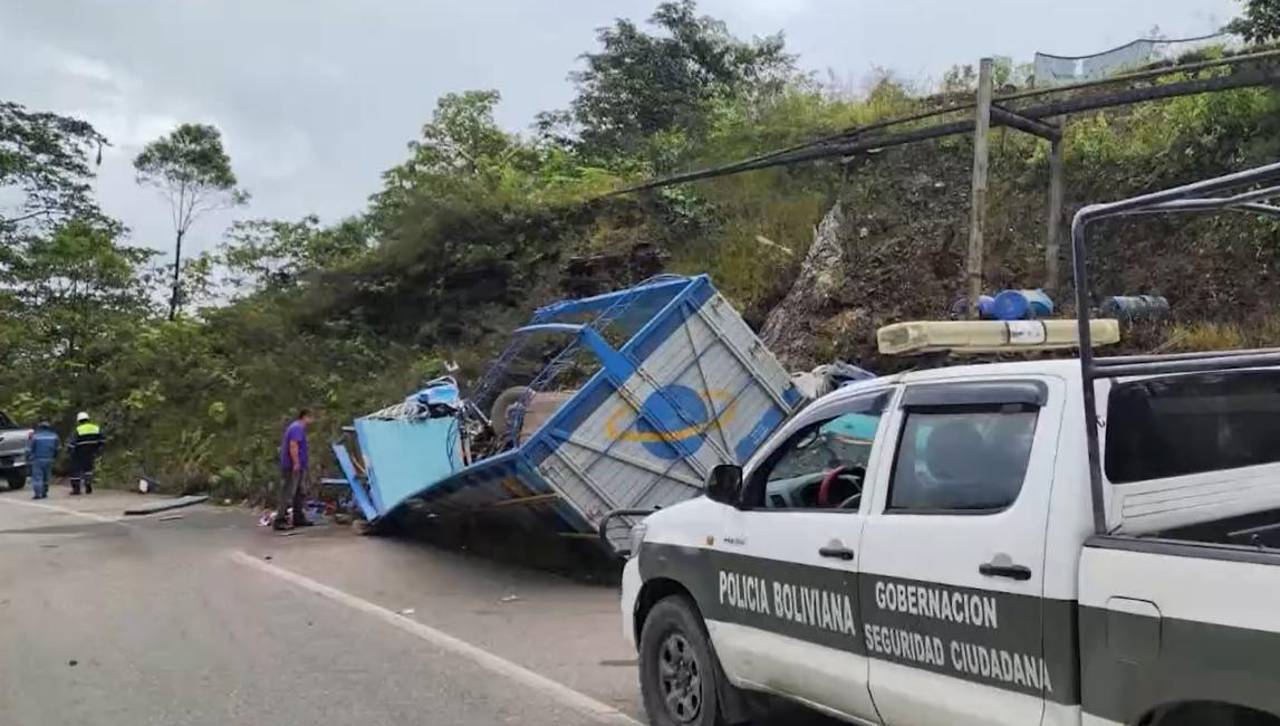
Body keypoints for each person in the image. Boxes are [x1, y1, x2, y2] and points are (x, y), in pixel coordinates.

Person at [275, 409, 314, 530]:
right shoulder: (296, 428)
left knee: (298, 492)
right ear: (305, 417)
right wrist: (296, 463)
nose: (312, 421)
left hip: (299, 466)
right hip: (291, 466)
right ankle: (280, 520)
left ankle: (298, 517)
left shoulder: (299, 429)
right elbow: (293, 445)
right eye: (311, 417)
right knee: (287, 492)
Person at [68, 411, 105, 495]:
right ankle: (88, 484)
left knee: (75, 470)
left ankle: (76, 489)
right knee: (88, 469)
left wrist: (70, 452)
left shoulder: (78, 429)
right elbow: (102, 440)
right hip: (91, 452)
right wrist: (97, 449)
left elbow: (72, 443)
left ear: (79, 420)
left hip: (79, 452)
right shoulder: (96, 428)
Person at [26, 421, 59, 499]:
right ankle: (44, 492)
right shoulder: (54, 436)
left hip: (38, 459)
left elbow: (29, 449)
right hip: (49, 459)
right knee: (46, 477)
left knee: (37, 477)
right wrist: (54, 457)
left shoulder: (35, 436)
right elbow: (57, 449)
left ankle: (38, 494)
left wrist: (28, 457)